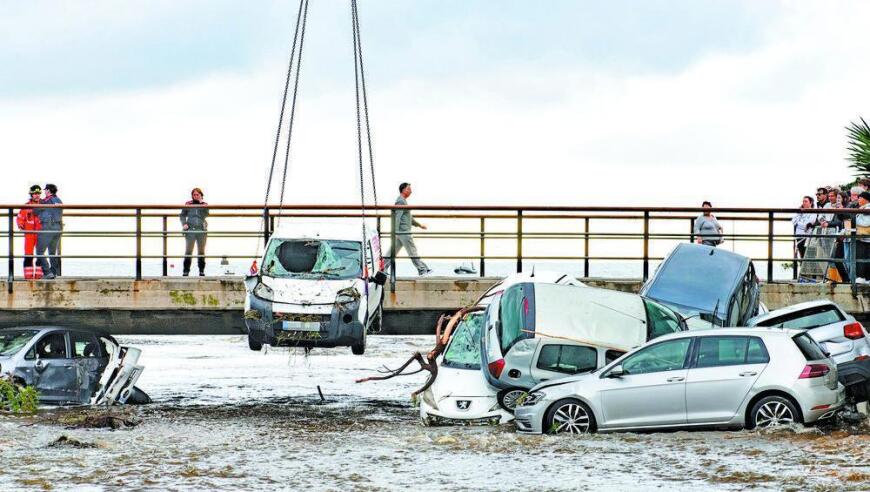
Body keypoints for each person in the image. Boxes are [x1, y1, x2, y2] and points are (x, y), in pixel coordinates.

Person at [384, 183, 432, 276]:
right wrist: (396, 231)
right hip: (403, 232)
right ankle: (422, 269)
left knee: (392, 251)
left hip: (400, 232)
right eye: (409, 189)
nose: (411, 191)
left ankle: (382, 268)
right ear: (403, 190)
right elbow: (397, 217)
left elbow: (408, 217)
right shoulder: (401, 201)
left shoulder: (403, 201)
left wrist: (419, 225)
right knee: (412, 250)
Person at [35, 183, 63, 279]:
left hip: (48, 227)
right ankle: (54, 272)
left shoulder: (45, 201)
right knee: (52, 252)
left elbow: (35, 211)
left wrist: (38, 202)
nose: (44, 192)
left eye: (45, 190)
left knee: (39, 251)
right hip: (58, 228)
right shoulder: (59, 200)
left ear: (48, 190)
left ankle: (47, 272)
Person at [180, 188, 209, 276]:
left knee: (201, 252)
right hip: (190, 230)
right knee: (188, 251)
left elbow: (206, 214)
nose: (196, 196)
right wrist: (184, 224)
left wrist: (200, 204)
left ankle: (201, 271)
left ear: (201, 195)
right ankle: (186, 271)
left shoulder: (204, 204)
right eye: (194, 195)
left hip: (201, 230)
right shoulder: (188, 203)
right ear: (192, 195)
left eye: (197, 194)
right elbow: (182, 215)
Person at [16, 185, 43, 276]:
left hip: (41, 234)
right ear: (31, 194)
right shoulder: (26, 206)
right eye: (35, 194)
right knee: (28, 255)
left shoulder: (45, 205)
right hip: (29, 234)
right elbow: (20, 217)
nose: (37, 195)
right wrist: (20, 224)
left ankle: (39, 275)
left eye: (39, 193)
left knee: (41, 255)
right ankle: (28, 276)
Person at [854, 191, 870, 282]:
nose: (858, 199)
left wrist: (854, 221)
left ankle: (863, 278)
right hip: (862, 237)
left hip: (866, 236)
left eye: (860, 198)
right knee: (862, 258)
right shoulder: (862, 208)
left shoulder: (867, 208)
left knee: (864, 258)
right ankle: (863, 278)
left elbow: (866, 222)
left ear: (866, 199)